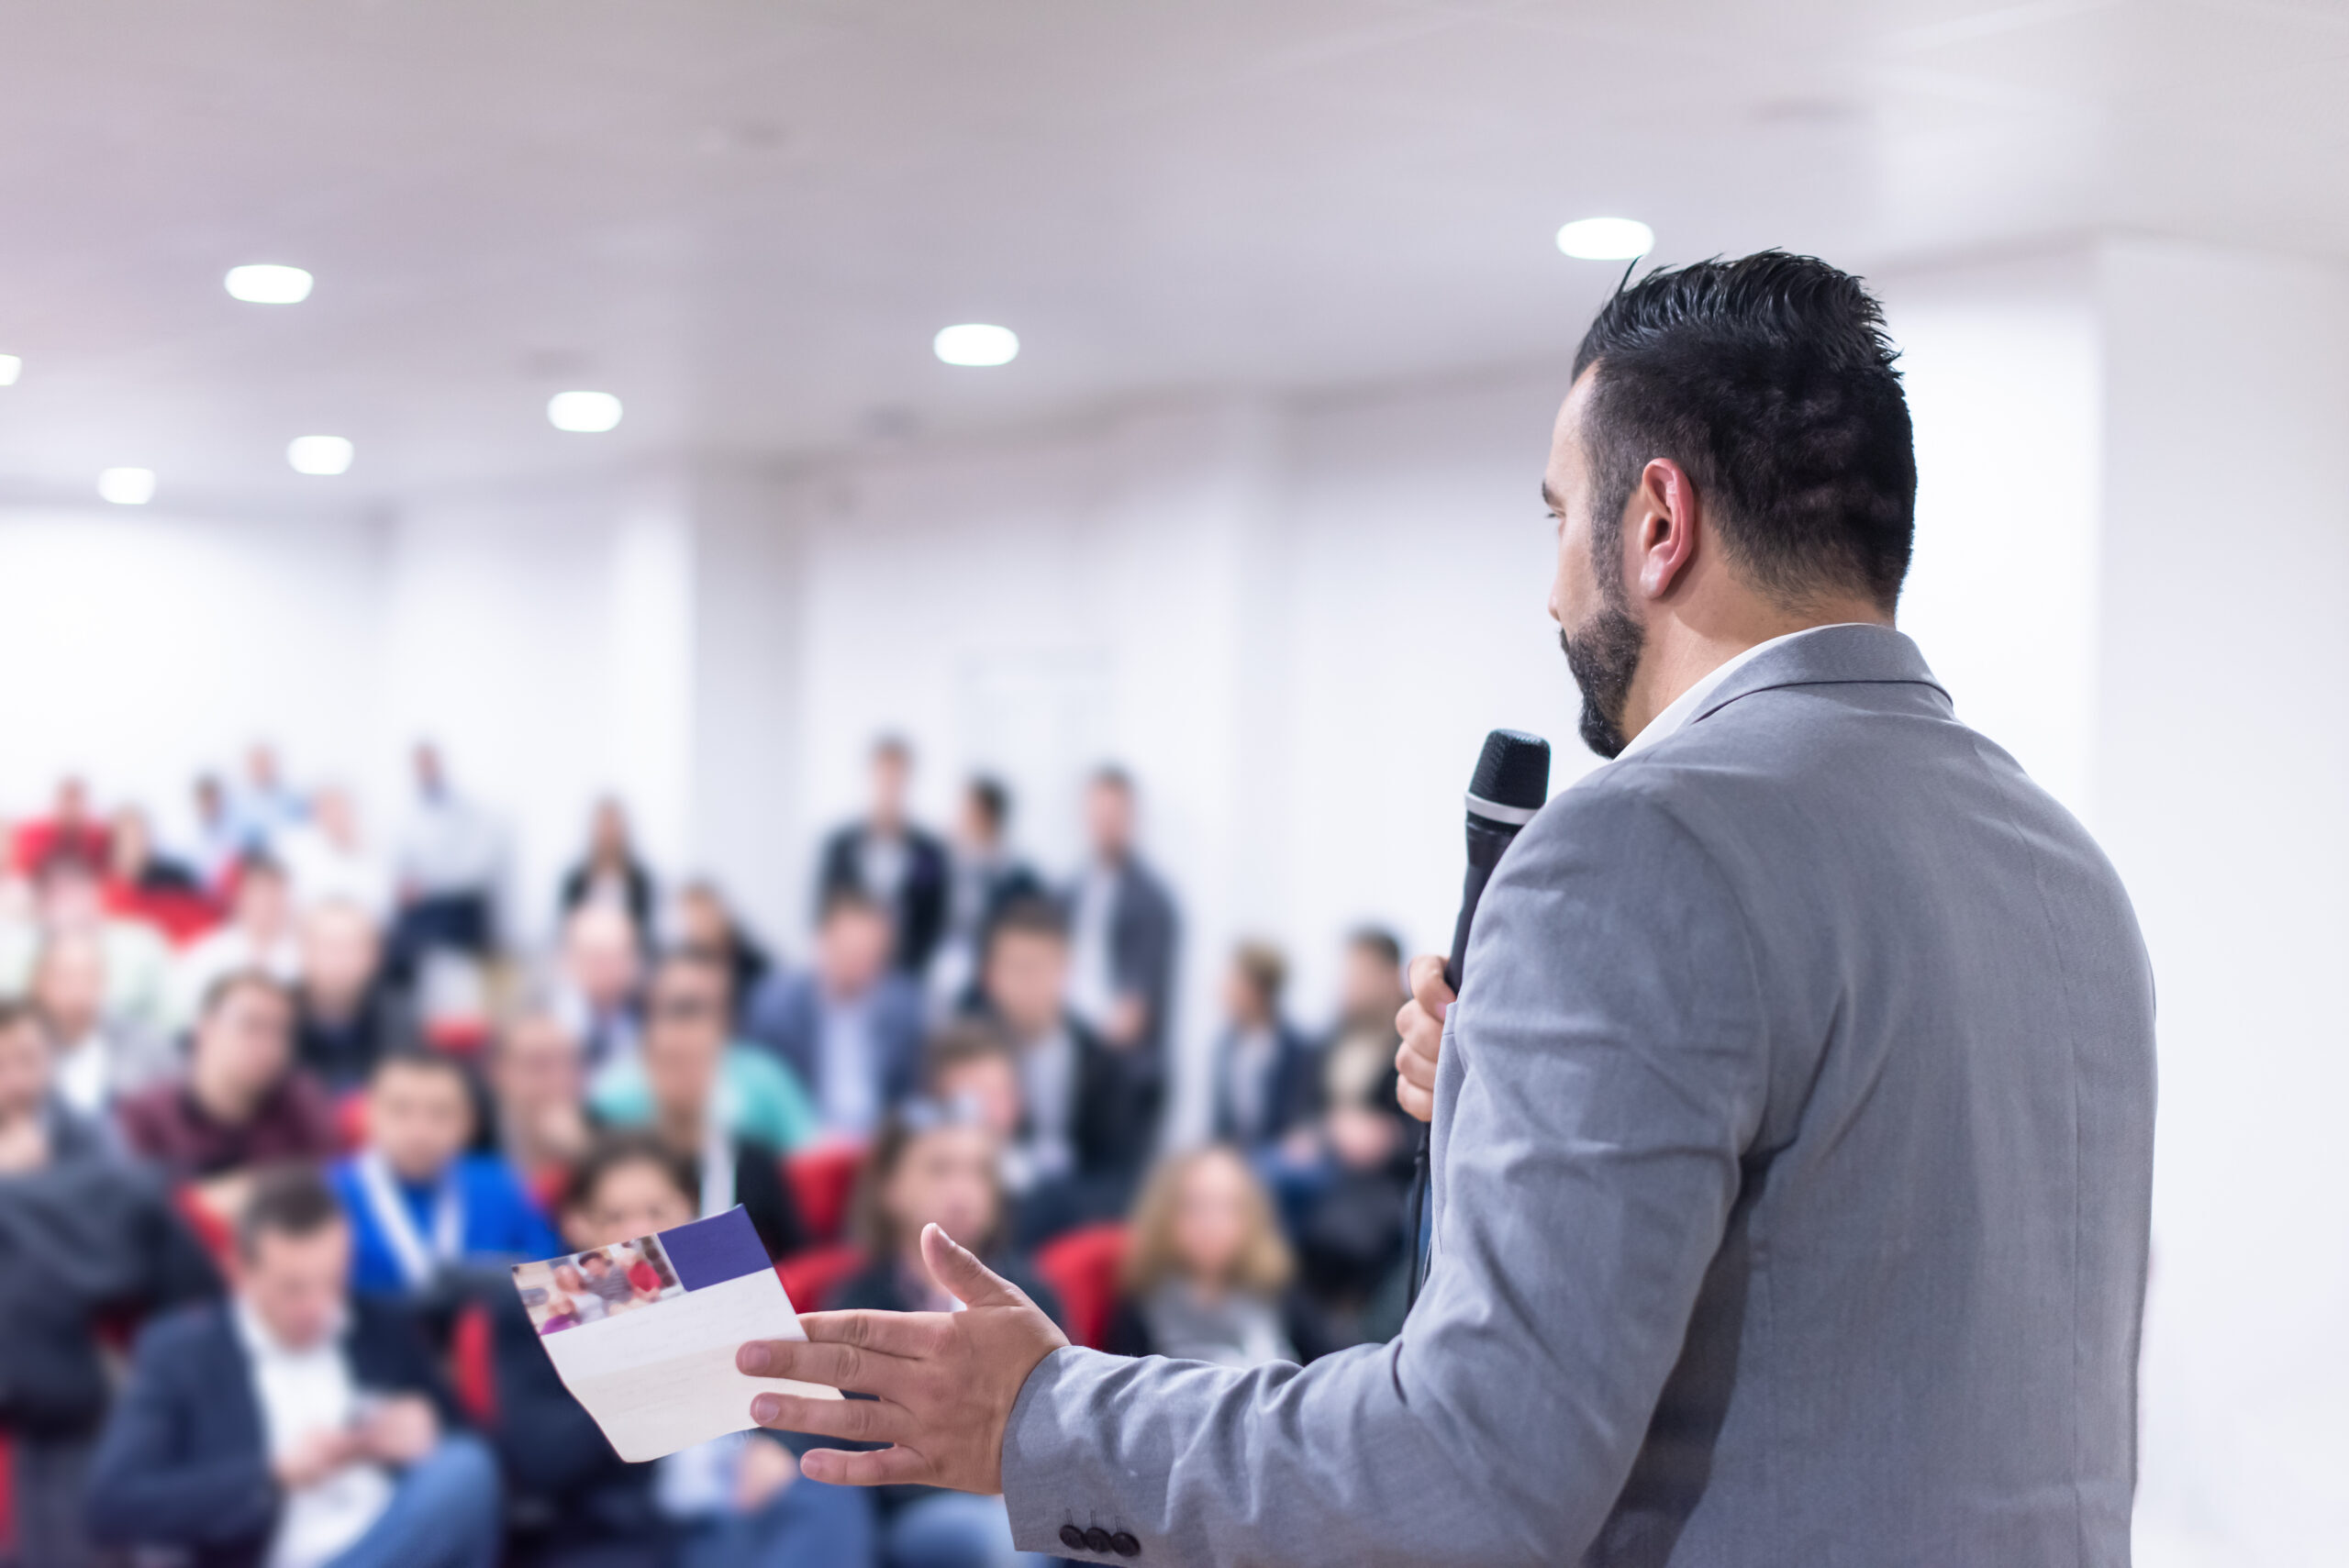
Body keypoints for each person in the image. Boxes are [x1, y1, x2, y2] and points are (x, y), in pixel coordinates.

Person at [735, 253, 2158, 1565]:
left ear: (1658, 523)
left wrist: (1045, 1416)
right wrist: (1499, 1090)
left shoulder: (1645, 844)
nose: (1551, 590)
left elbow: (1472, 1471)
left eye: (1559, 518)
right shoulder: (2063, 868)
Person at [488, 1133, 876, 1568]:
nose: (638, 1232)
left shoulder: (730, 1284)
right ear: (577, 1224)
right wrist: (640, 1365)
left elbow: (802, 1396)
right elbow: (543, 1460)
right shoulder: (539, 1317)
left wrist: (779, 1451)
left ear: (688, 1210)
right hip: (627, 1529)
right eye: (615, 1216)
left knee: (829, 1495)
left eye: (656, 1211)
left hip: (745, 1500)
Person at [86, 1163, 502, 1568]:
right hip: (275, 1551)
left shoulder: (380, 1324)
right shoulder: (184, 1352)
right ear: (238, 1269)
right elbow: (114, 1506)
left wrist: (427, 1432)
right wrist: (272, 1477)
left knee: (463, 1469)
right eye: (293, 1288)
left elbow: (473, 1455)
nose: (318, 1306)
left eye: (332, 1282)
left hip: (393, 1536)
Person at [0, 998, 220, 1568]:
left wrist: (25, 1199)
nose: (12, 1078)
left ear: (52, 1063)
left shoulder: (90, 1140)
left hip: (72, 1368)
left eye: (25, 1058)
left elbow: (122, 1236)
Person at [824, 1104, 1064, 1568]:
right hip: (914, 1505)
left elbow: (1061, 1421)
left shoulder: (1032, 1295)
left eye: (978, 1172)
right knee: (1002, 1542)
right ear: (890, 1188)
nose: (962, 1190)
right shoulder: (858, 1301)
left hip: (1026, 1502)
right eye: (939, 1169)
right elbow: (853, 1437)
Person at [591, 951, 811, 1260]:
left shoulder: (752, 1164)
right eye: (671, 1060)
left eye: (697, 1060)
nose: (684, 1074)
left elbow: (798, 1259)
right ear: (647, 1066)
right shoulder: (620, 1167)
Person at [971, 897, 1156, 1242]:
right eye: (1016, 967)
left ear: (1065, 972)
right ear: (990, 977)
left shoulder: (1103, 1062)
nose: (1028, 982)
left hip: (1072, 1218)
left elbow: (1122, 1176)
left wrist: (1057, 1203)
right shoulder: (968, 1058)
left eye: (1040, 967)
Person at [328, 1049, 558, 1301]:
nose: (419, 1131)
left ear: (468, 1122)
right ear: (368, 1114)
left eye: (440, 1113)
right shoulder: (330, 1195)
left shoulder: (501, 1187)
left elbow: (550, 1280)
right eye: (400, 1110)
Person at [116, 971, 339, 1210]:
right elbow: (134, 1208)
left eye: (280, 1031)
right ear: (205, 1028)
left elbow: (332, 1188)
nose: (268, 1046)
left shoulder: (301, 1102)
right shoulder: (146, 1115)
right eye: (251, 1027)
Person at [1105, 1146, 1332, 1369]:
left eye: (1226, 1207)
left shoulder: (1279, 1292)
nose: (1210, 1223)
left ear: (1252, 1216)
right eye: (1195, 1206)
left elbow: (1327, 1371)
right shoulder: (1142, 1303)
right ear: (1165, 1215)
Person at [592, 949, 819, 1159]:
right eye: (679, 1008)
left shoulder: (767, 1079)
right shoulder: (615, 1090)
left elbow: (808, 1159)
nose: (687, 1030)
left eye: (702, 1008)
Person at [746, 887, 925, 1140]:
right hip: (802, 1141)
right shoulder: (777, 1006)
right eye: (848, 951)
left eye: (870, 954)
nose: (858, 964)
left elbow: (910, 1094)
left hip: (879, 1144)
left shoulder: (905, 1008)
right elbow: (765, 1089)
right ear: (822, 942)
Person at [1061, 766, 1178, 1069]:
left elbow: (1138, 1003)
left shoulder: (1153, 900)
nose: (1106, 823)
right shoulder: (1069, 889)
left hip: (1120, 1059)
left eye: (1115, 814)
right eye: (1099, 813)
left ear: (1133, 817)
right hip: (1069, 1038)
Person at [0, 851, 175, 1046]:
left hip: (133, 1054)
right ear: (39, 902)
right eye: (57, 893)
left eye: (77, 888)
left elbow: (171, 1018)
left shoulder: (142, 944)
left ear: (97, 892)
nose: (70, 903)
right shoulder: (11, 951)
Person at [817, 736, 950, 977]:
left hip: (908, 970)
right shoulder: (839, 845)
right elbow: (823, 909)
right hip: (849, 973)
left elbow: (936, 918)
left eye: (897, 779)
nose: (890, 787)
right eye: (885, 777)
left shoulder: (931, 851)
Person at [29, 927, 174, 1118]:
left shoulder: (144, 1045)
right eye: (66, 977)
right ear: (38, 982)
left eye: (89, 976)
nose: (78, 990)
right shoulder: (16, 1047)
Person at [928, 776, 1044, 1011]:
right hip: (941, 967)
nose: (958, 820)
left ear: (987, 819)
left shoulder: (1020, 879)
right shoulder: (938, 864)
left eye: (967, 813)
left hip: (992, 972)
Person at [393, 741, 506, 962]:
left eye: (429, 763)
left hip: (460, 904)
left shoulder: (468, 807)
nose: (425, 770)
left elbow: (477, 864)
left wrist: (430, 882)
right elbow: (406, 862)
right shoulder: (407, 812)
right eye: (420, 765)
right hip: (426, 906)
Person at [1205, 940, 1319, 1154]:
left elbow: (1301, 1115)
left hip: (1280, 1153)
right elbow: (1220, 1121)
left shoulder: (1296, 1047)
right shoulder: (1224, 1045)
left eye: (1233, 981)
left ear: (1258, 990)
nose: (1223, 989)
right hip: (1235, 1153)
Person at [294, 900, 417, 1094]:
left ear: (376, 956)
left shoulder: (400, 1023)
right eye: (329, 946)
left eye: (351, 947)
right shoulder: (278, 1023)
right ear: (304, 953)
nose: (339, 960)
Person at [173, 853, 304, 1028]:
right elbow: (185, 1010)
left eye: (276, 895)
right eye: (260, 894)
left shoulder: (303, 955)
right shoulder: (209, 953)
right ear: (241, 898)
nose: (268, 904)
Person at [488, 1007, 591, 1198]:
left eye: (572, 1063)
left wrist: (584, 1155)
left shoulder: (610, 1137)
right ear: (500, 1072)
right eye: (539, 1065)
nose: (560, 1080)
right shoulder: (476, 1143)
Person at [551, 899, 644, 1074]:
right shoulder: (546, 1024)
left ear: (636, 961)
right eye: (595, 956)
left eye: (617, 956)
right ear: (566, 960)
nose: (606, 968)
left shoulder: (652, 1020)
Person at [280, 785, 395, 921]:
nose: (336, 816)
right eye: (328, 810)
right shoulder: (295, 848)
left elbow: (382, 907)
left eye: (341, 809)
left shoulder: (372, 855)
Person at [674, 877, 774, 1026]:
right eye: (692, 917)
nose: (698, 924)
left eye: (703, 914)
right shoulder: (684, 961)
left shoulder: (753, 962)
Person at [559, 795, 656, 935]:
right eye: (603, 827)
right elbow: (565, 928)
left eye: (613, 827)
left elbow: (645, 931)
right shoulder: (575, 880)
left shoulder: (640, 882)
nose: (608, 834)